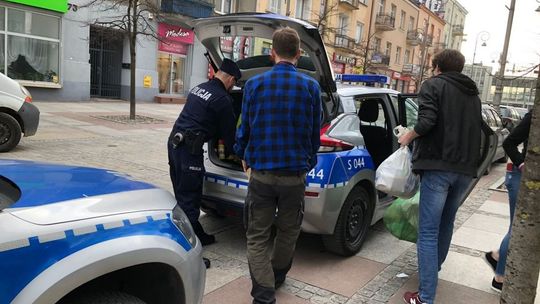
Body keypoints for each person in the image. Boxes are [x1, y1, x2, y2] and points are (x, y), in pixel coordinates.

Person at [234, 27, 321, 304]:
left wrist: (242, 153)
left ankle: (263, 293)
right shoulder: (311, 87)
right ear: (299, 53)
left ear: (272, 53)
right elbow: (313, 136)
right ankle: (278, 274)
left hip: (261, 176)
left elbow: (244, 129)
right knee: (288, 230)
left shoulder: (254, 85)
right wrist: (308, 161)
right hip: (294, 177)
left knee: (257, 235)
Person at [398, 49, 483, 304]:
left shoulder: (433, 86)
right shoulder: (473, 94)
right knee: (446, 223)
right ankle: (431, 274)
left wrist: (408, 136)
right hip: (465, 170)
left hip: (438, 167)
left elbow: (426, 122)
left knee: (428, 232)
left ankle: (425, 297)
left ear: (437, 67)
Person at [168, 58, 241, 247]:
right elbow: (231, 139)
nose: (233, 88)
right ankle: (191, 252)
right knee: (190, 200)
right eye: (234, 84)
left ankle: (197, 234)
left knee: (182, 196)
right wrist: (244, 157)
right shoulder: (223, 100)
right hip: (189, 152)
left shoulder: (199, 88)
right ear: (231, 79)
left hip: (174, 145)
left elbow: (203, 120)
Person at [484, 109, 532, 292]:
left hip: (525, 180)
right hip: (523, 179)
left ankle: (497, 256)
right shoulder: (536, 113)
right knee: (517, 227)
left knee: (518, 227)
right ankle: (499, 277)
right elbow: (510, 143)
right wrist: (523, 164)